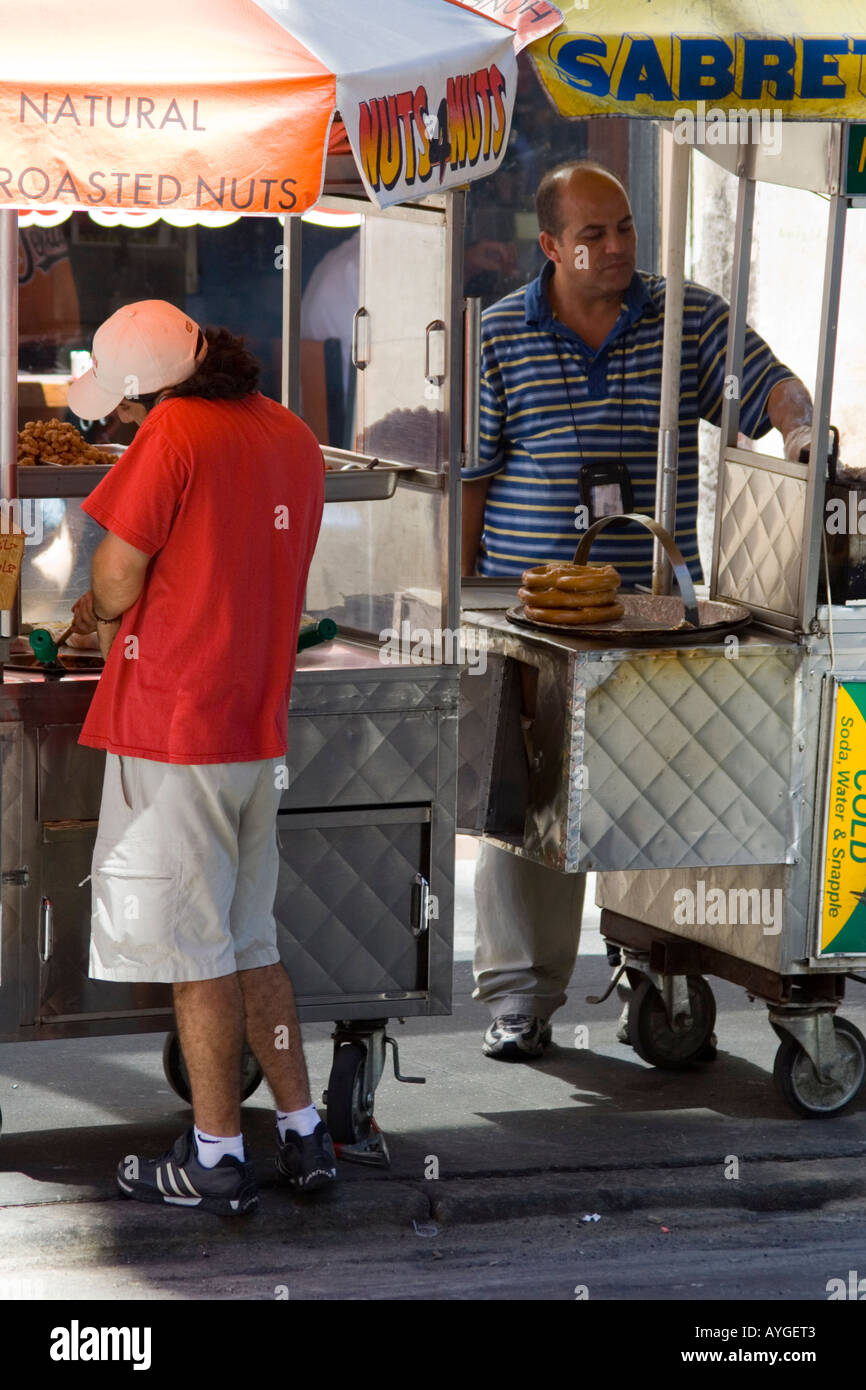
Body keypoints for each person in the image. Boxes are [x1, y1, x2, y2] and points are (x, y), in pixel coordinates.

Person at [461, 160, 815, 1061]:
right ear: (550, 247)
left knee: (652, 803)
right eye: (594, 235)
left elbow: (771, 385)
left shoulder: (685, 316)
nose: (617, 248)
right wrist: (462, 600)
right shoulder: (498, 337)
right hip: (528, 611)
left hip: (657, 611)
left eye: (624, 229)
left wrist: (803, 430)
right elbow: (468, 482)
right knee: (525, 810)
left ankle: (653, 970)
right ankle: (518, 997)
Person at [67, 300, 332, 1214]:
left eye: (119, 405)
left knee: (198, 950)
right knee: (251, 940)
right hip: (254, 727)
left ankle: (216, 1155)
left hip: (179, 722)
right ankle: (303, 1131)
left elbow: (116, 569)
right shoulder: (289, 432)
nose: (118, 420)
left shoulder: (174, 430)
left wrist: (99, 621)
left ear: (146, 392)